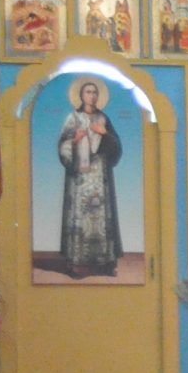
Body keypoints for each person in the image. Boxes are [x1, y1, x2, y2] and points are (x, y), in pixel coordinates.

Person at [54, 80, 123, 279]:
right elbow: (63, 147)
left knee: (101, 217)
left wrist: (106, 134)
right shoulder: (73, 118)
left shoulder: (103, 118)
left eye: (94, 92)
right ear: (81, 95)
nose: (91, 96)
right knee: (81, 215)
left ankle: (104, 263)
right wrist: (74, 140)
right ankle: (77, 263)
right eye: (88, 92)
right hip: (80, 178)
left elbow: (116, 147)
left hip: (100, 175)